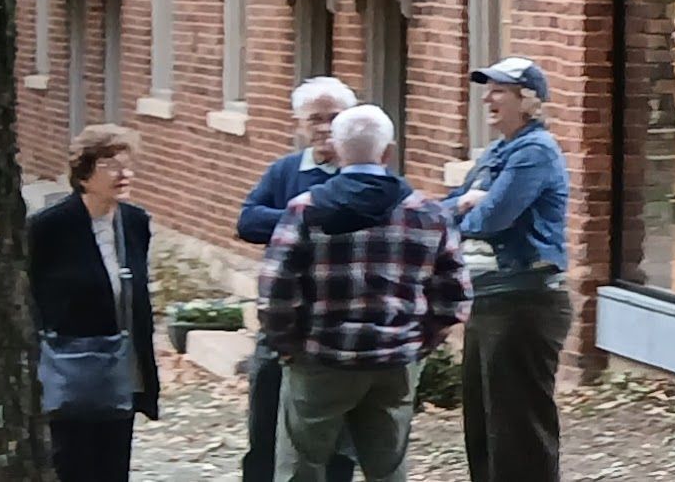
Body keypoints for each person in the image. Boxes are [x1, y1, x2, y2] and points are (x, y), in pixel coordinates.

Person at [258, 104, 468, 482]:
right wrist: (421, 343)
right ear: (388, 152)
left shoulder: (305, 210)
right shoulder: (430, 213)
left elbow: (275, 290)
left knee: (301, 467)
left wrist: (287, 345)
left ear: (338, 150)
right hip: (394, 358)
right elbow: (454, 295)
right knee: (387, 469)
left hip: (320, 355)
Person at [447, 56, 573, 482]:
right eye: (488, 90)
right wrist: (468, 203)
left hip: (523, 300)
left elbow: (493, 218)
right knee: (484, 425)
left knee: (517, 430)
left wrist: (470, 206)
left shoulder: (535, 151)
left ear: (528, 101)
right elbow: (446, 210)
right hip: (488, 299)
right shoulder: (499, 151)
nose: (488, 99)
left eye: (499, 91)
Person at [238, 76, 359, 482]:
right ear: (299, 124)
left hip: (338, 319)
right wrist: (306, 217)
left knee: (335, 437)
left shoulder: (362, 174)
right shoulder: (286, 170)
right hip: (283, 314)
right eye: (315, 119)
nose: (324, 128)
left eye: (334, 118)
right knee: (266, 418)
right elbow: (248, 220)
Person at [27, 124, 159, 482]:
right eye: (110, 165)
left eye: (127, 164)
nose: (123, 173)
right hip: (69, 372)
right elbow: (31, 297)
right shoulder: (49, 227)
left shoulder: (134, 222)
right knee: (72, 466)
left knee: (114, 466)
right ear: (84, 173)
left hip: (122, 368)